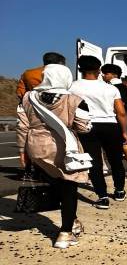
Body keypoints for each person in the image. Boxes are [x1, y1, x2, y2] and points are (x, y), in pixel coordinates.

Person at [16, 64, 91, 249]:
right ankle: (65, 233)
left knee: (55, 184)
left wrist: (21, 151)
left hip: (36, 148)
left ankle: (72, 221)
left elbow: (22, 126)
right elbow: (84, 127)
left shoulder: (28, 97)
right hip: (64, 149)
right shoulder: (74, 100)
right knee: (68, 189)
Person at [70, 55, 127, 209]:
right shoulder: (111, 88)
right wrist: (124, 131)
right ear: (99, 70)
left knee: (94, 162)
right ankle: (119, 191)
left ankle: (102, 197)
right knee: (115, 159)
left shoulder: (72, 87)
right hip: (110, 126)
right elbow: (121, 112)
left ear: (80, 69)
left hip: (86, 126)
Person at [102, 65, 127, 180]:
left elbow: (119, 109)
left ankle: (108, 168)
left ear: (113, 75)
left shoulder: (111, 88)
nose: (103, 76)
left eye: (105, 73)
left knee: (121, 145)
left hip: (120, 120)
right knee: (125, 145)